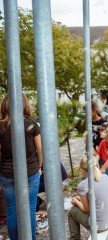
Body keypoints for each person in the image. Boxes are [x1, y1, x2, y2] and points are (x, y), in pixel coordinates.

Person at [0, 93, 42, 240]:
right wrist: (39, 166)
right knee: (30, 209)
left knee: (12, 210)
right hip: (30, 172)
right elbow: (40, 149)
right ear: (24, 104)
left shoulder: (1, 126)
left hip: (7, 174)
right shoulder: (31, 124)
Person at [67, 156, 108, 239]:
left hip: (100, 226)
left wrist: (76, 202)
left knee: (72, 211)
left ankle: (74, 238)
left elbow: (86, 209)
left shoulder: (83, 185)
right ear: (97, 166)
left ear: (82, 169)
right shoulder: (106, 176)